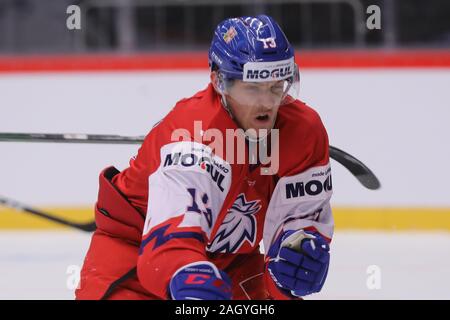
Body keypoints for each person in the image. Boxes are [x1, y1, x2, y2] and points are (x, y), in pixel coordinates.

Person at [75, 15, 333, 300]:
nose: (267, 103)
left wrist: (294, 260)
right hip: (132, 259)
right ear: (218, 81)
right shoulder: (192, 134)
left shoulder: (304, 130)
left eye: (276, 87)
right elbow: (165, 249)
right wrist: (185, 271)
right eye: (252, 88)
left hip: (233, 263)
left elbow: (299, 223)